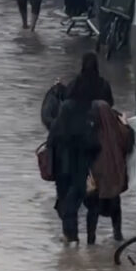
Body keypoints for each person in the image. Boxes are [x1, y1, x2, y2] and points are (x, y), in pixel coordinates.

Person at [47, 96, 98, 244]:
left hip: (61, 172)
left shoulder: (57, 125)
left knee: (65, 203)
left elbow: (50, 144)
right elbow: (94, 146)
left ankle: (70, 234)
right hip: (80, 172)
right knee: (78, 204)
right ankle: (87, 239)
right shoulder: (84, 125)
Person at [86, 100, 133, 243]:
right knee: (115, 206)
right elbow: (129, 144)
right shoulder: (118, 129)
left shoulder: (90, 129)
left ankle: (91, 240)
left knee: (93, 209)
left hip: (96, 176)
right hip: (114, 176)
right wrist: (126, 124)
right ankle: (117, 235)